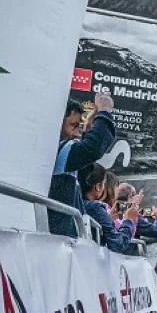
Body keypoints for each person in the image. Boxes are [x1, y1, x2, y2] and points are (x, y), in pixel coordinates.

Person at [50, 94, 117, 236]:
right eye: (73, 126)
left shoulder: (59, 153)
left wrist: (87, 131)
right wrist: (104, 112)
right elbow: (93, 149)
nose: (76, 133)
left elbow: (86, 166)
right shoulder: (61, 150)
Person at [80, 164, 138, 253]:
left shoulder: (78, 204)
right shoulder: (96, 208)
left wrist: (108, 218)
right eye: (103, 183)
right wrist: (129, 220)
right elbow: (118, 245)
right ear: (98, 186)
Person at [114, 182, 157, 251]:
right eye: (135, 195)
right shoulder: (134, 218)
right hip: (130, 254)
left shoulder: (114, 208)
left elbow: (133, 210)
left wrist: (151, 213)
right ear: (131, 196)